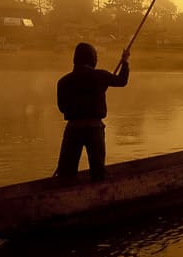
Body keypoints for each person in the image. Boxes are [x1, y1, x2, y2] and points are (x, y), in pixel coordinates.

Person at [56, 42, 130, 183]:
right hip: (94, 129)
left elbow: (62, 108)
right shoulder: (100, 76)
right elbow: (122, 80)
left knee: (66, 172)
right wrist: (125, 62)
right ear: (92, 59)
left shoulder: (63, 82)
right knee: (97, 171)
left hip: (73, 129)